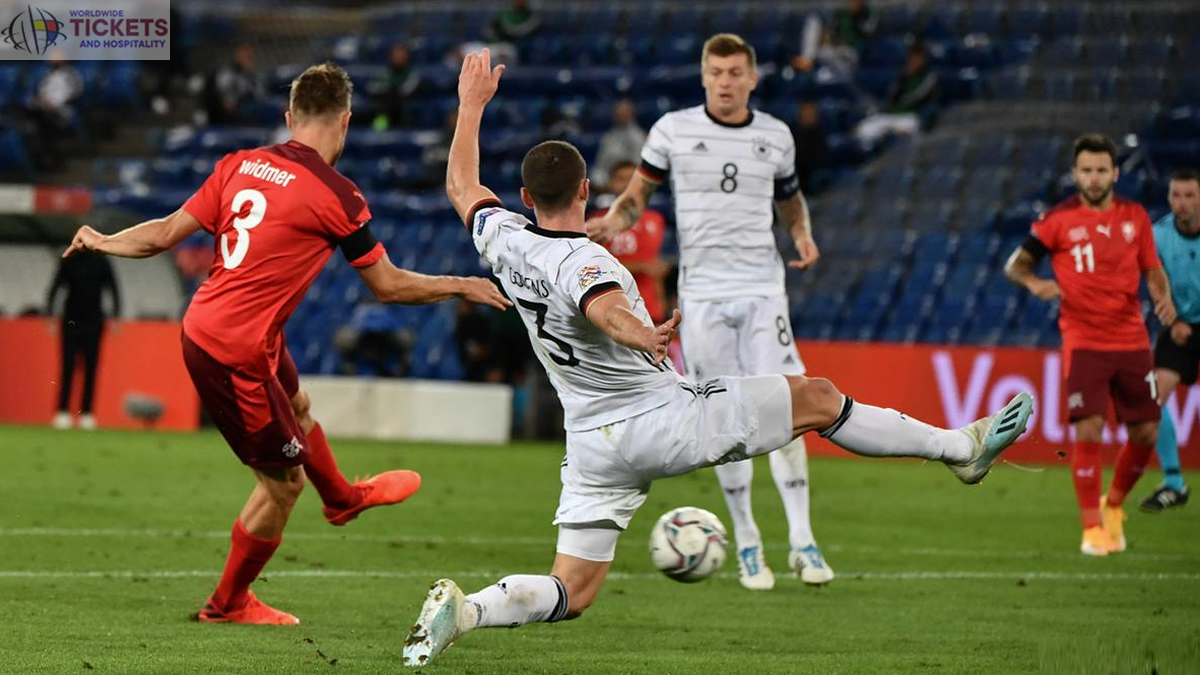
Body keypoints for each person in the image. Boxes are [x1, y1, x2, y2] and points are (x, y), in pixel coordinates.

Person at [399, 48, 1034, 667]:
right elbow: (602, 306)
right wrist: (637, 334)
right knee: (816, 397)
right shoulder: (587, 259)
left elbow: (461, 184)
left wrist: (470, 106)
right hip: (657, 418)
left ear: (523, 195)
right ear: (588, 190)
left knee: (575, 589)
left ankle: (472, 609)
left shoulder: (502, 237)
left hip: (591, 443)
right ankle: (960, 451)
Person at [62, 63, 511, 625]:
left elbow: (162, 234)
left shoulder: (238, 165)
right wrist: (461, 283)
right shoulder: (338, 194)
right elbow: (388, 286)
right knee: (283, 486)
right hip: (234, 352)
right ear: (345, 122)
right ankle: (227, 604)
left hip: (230, 328)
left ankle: (342, 498)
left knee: (299, 408)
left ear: (288, 117)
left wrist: (103, 239)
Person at [587, 33, 829, 591]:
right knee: (723, 418)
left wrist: (803, 234)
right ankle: (747, 541)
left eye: (734, 72)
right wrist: (611, 224)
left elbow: (790, 199)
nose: (724, 82)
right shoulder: (672, 129)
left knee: (789, 403)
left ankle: (802, 538)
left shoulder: (775, 135)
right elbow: (637, 196)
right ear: (703, 76)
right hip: (702, 296)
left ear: (752, 79)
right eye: (716, 72)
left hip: (763, 288)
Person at [1004, 133, 1176, 556]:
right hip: (1083, 340)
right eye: (1086, 170)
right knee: (1089, 428)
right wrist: (1034, 282)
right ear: (1075, 173)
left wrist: (1162, 296)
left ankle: (1112, 505)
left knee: (1146, 432)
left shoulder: (1134, 217)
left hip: (1132, 339)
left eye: (1102, 170)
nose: (1094, 178)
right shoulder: (1057, 221)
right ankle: (1091, 529)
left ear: (1115, 173)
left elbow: (1152, 270)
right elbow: (1015, 265)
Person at [1142, 167, 1199, 512]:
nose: (1182, 203)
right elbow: (1154, 281)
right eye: (1176, 195)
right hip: (1180, 326)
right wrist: (1172, 318)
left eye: (1190, 195)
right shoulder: (1159, 235)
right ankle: (1174, 483)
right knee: (1154, 398)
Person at [46, 250, 121, 430]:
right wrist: (50, 314)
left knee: (91, 369)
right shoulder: (69, 259)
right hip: (71, 320)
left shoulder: (102, 261)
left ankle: (87, 413)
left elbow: (113, 288)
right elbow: (56, 286)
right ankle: (62, 412)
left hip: (94, 321)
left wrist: (116, 315)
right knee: (68, 367)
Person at [589, 161, 668, 323]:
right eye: (620, 179)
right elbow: (594, 269)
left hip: (651, 309)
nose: (626, 184)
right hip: (613, 310)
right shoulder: (597, 222)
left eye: (631, 179)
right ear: (610, 183)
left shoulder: (656, 219)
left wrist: (663, 304)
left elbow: (657, 268)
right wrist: (641, 266)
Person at [854, 42, 939, 147]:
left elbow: (916, 97)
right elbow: (891, 98)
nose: (914, 61)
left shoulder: (929, 76)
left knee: (903, 134)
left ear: (924, 59)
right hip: (892, 115)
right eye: (912, 58)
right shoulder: (902, 76)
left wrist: (899, 98)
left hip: (912, 117)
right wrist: (902, 79)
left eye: (918, 58)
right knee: (864, 129)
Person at [591, 100, 646, 187]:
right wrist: (603, 183)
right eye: (618, 114)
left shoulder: (638, 137)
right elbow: (601, 166)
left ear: (632, 115)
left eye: (624, 113)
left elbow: (638, 166)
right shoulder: (609, 136)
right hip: (609, 182)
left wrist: (620, 181)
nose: (621, 116)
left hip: (629, 182)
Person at [794, 101, 830, 195]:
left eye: (810, 113)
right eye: (805, 113)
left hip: (812, 173)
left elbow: (821, 158)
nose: (807, 116)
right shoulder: (795, 132)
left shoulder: (819, 134)